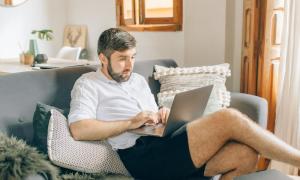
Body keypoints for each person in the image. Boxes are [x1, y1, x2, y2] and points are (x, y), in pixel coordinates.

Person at [68, 28, 300, 180]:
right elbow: (79, 129)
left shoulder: (137, 80)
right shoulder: (88, 84)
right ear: (102, 58)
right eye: (122, 59)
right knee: (229, 118)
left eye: (133, 57)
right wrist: (130, 122)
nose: (129, 65)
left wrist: (161, 114)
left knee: (245, 154)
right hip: (140, 156)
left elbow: (152, 114)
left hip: (162, 143)